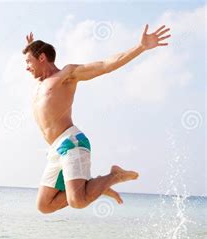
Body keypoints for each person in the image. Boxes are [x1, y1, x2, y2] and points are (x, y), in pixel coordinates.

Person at [23, 24, 171, 214]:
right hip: (55, 150)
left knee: (78, 201)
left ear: (42, 58)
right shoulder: (40, 84)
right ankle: (93, 187)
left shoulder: (67, 75)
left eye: (28, 62)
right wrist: (32, 47)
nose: (26, 68)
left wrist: (140, 47)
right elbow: (36, 61)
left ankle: (113, 176)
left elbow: (104, 66)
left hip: (71, 143)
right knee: (44, 206)